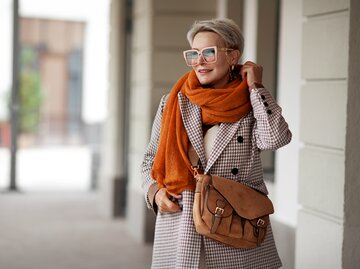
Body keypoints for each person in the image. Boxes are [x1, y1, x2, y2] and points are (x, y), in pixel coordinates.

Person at [141, 18, 291, 269]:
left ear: (233, 56)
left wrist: (256, 87)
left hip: (235, 226)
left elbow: (276, 138)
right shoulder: (174, 102)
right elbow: (149, 160)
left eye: (209, 53)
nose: (199, 61)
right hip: (183, 224)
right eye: (194, 54)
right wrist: (155, 192)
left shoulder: (251, 103)